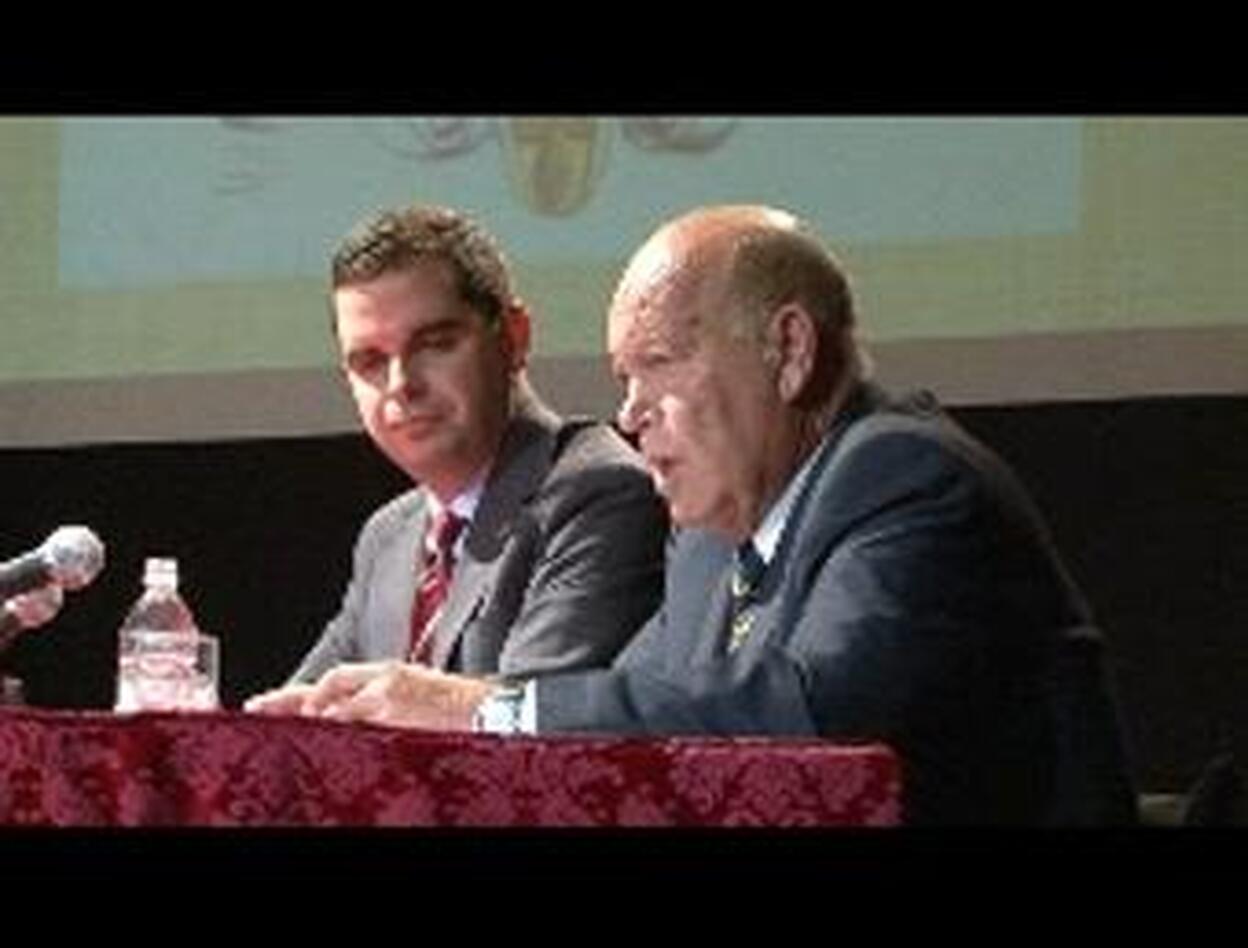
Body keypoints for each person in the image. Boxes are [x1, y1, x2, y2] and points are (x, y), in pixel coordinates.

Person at [248, 204, 1137, 825]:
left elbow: (812, 708)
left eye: (659, 365)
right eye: (622, 379)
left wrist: (479, 710)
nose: (630, 414)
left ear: (789, 350)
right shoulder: (711, 543)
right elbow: (628, 716)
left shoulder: (905, 476)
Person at [245, 204, 667, 711]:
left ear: (513, 338)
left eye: (434, 344)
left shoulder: (600, 494)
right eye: (370, 361)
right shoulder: (389, 535)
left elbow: (534, 726)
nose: (401, 385)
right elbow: (298, 717)